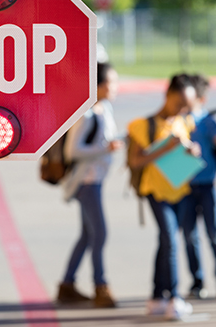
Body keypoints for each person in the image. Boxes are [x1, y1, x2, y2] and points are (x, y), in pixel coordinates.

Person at [127, 74, 200, 320]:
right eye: (179, 103)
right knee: (170, 239)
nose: (182, 109)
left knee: (166, 241)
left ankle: (157, 295)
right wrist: (164, 149)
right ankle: (175, 296)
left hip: (179, 188)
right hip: (155, 190)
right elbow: (135, 161)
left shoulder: (185, 121)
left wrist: (192, 150)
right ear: (168, 95)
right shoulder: (144, 125)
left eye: (186, 106)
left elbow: (190, 146)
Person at [57, 62, 124, 308]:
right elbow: (72, 151)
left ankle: (67, 284)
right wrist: (105, 148)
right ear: (97, 86)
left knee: (87, 235)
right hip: (86, 182)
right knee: (100, 233)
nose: (115, 87)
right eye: (111, 82)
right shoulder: (85, 115)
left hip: (96, 179)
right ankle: (100, 285)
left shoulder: (103, 109)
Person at [180, 74, 216, 300]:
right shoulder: (179, 121)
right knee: (189, 235)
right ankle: (197, 280)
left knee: (215, 234)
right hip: (185, 185)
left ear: (200, 98)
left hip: (207, 184)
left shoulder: (206, 121)